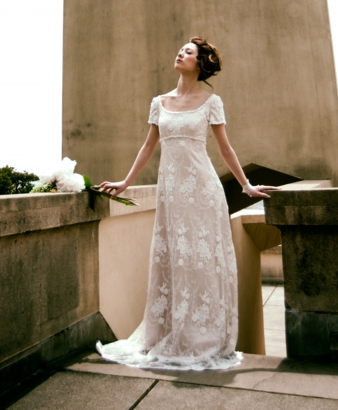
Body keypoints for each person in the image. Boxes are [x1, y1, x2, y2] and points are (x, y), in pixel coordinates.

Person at [96, 37, 278, 371]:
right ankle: (172, 330)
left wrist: (246, 185)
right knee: (174, 259)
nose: (180, 52)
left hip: (203, 193)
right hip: (172, 193)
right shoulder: (159, 102)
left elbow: (225, 149)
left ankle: (202, 337)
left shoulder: (211, 102)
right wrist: (125, 182)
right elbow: (148, 147)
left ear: (200, 63)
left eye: (189, 52)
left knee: (201, 260)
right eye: (180, 48)